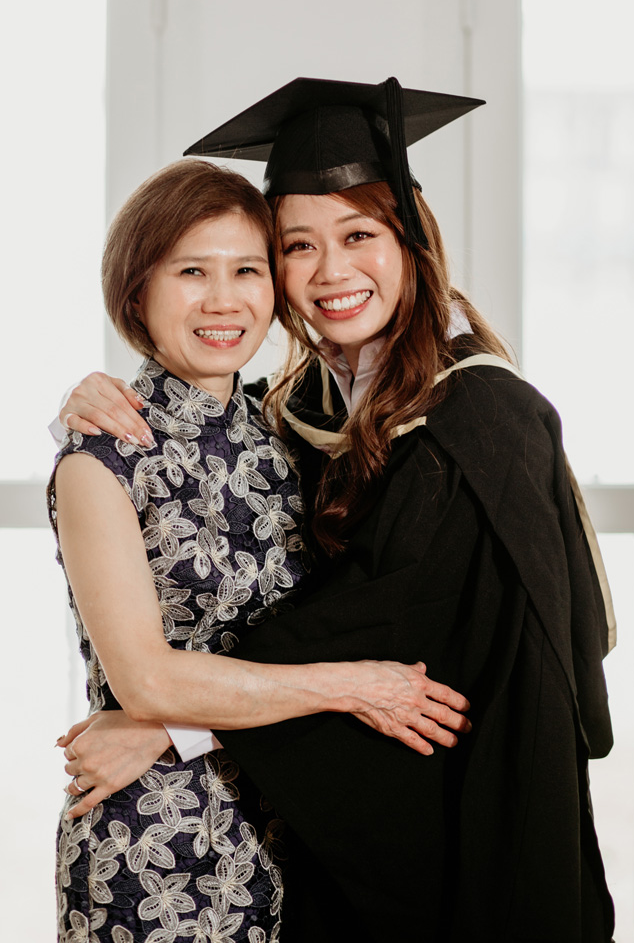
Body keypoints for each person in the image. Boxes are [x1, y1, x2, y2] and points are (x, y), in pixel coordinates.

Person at [56, 78, 616, 942]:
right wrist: (79, 406)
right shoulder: (298, 417)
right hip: (259, 846)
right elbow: (320, 632)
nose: (330, 273)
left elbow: (388, 628)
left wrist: (170, 726)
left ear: (411, 241)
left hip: (455, 841)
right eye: (297, 247)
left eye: (359, 235)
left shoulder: (477, 419)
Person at [48, 155, 472, 943]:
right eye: (190, 272)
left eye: (247, 268)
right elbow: (147, 678)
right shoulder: (98, 458)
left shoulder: (289, 430)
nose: (223, 299)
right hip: (157, 844)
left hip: (301, 825)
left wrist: (175, 724)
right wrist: (352, 687)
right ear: (136, 291)